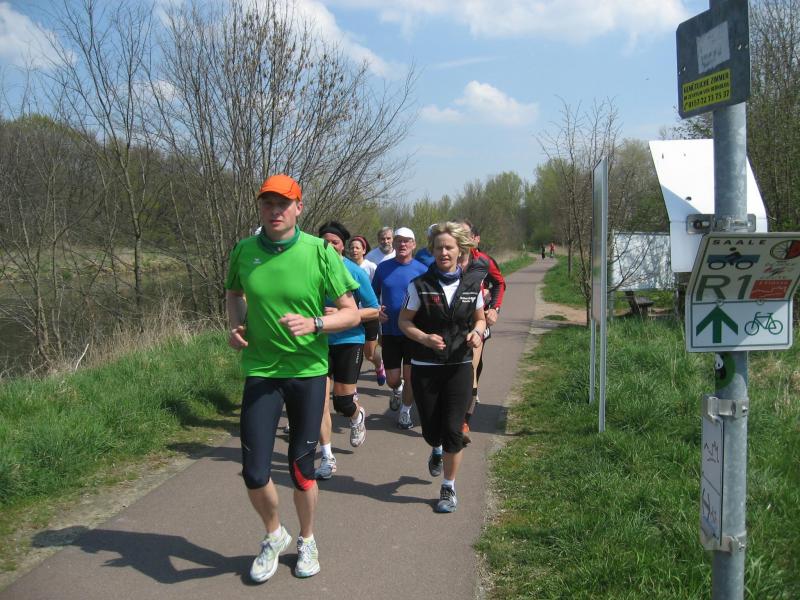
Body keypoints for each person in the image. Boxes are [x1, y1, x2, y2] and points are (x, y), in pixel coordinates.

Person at [225, 174, 360, 582]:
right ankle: (274, 534)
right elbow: (234, 293)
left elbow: (351, 313)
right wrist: (235, 326)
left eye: (283, 204)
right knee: (254, 471)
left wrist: (315, 323)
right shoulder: (244, 250)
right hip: (261, 371)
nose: (275, 211)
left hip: (307, 372)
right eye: (268, 203)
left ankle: (307, 539)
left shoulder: (319, 252)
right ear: (260, 208)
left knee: (302, 469)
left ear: (299, 208)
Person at [398, 221, 486, 513]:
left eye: (449, 247)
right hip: (426, 366)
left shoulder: (472, 285)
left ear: (460, 250)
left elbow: (480, 319)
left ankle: (448, 487)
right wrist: (424, 338)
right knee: (431, 431)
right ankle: (435, 448)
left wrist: (477, 333)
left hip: (459, 365)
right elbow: (404, 321)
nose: (444, 252)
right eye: (438, 248)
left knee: (453, 430)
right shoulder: (419, 286)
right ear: (432, 251)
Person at [314, 222, 380, 480]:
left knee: (342, 402)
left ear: (343, 246)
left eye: (335, 242)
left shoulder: (354, 271)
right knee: (318, 403)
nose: (330, 246)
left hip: (349, 340)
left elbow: (374, 309)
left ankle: (356, 415)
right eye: (325, 242)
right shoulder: (311, 269)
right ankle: (327, 457)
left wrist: (343, 313)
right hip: (317, 342)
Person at [371, 226, 427, 428]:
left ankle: (405, 412)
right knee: (393, 379)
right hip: (390, 331)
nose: (402, 244)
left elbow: (429, 300)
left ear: (413, 244)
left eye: (406, 241)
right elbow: (372, 295)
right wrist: (376, 311)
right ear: (393, 243)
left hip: (413, 331)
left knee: (410, 376)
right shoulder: (383, 268)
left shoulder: (422, 270)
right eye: (399, 240)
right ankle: (396, 390)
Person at [459, 221, 506, 445]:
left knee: (470, 367)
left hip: (476, 320)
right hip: (450, 322)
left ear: (474, 237)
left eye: (465, 234)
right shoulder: (444, 260)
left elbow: (500, 283)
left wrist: (494, 309)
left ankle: (464, 421)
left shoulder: (484, 261)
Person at [349, 235, 386, 386]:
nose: (354, 250)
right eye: (351, 248)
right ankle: (352, 389)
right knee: (350, 354)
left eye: (357, 248)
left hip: (370, 314)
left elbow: (380, 288)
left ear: (364, 250)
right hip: (351, 315)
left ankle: (379, 365)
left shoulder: (371, 267)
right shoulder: (344, 267)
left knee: (369, 354)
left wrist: (380, 306)